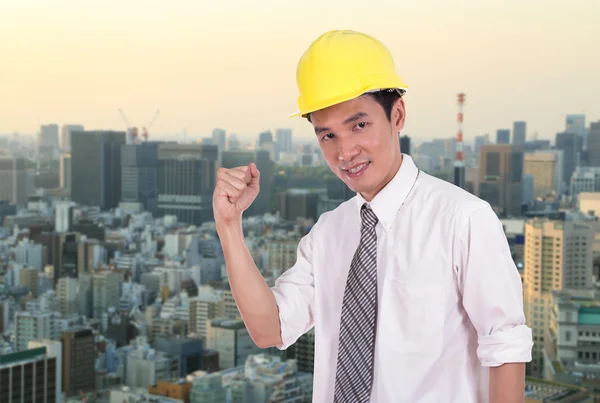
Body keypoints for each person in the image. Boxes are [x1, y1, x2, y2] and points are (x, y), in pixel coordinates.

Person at [213, 29, 533, 403]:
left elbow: (506, 345)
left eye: (359, 125)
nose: (345, 151)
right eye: (327, 136)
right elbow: (270, 329)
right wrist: (229, 226)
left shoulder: (462, 219)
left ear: (397, 115)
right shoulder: (329, 233)